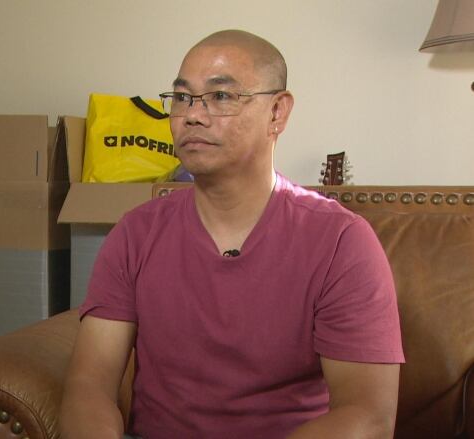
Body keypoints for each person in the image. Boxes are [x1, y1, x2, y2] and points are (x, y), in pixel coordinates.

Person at [59, 29, 404, 439]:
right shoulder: (135, 233)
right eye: (183, 97)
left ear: (277, 112)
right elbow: (89, 388)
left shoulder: (341, 241)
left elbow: (367, 416)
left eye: (221, 97)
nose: (192, 115)